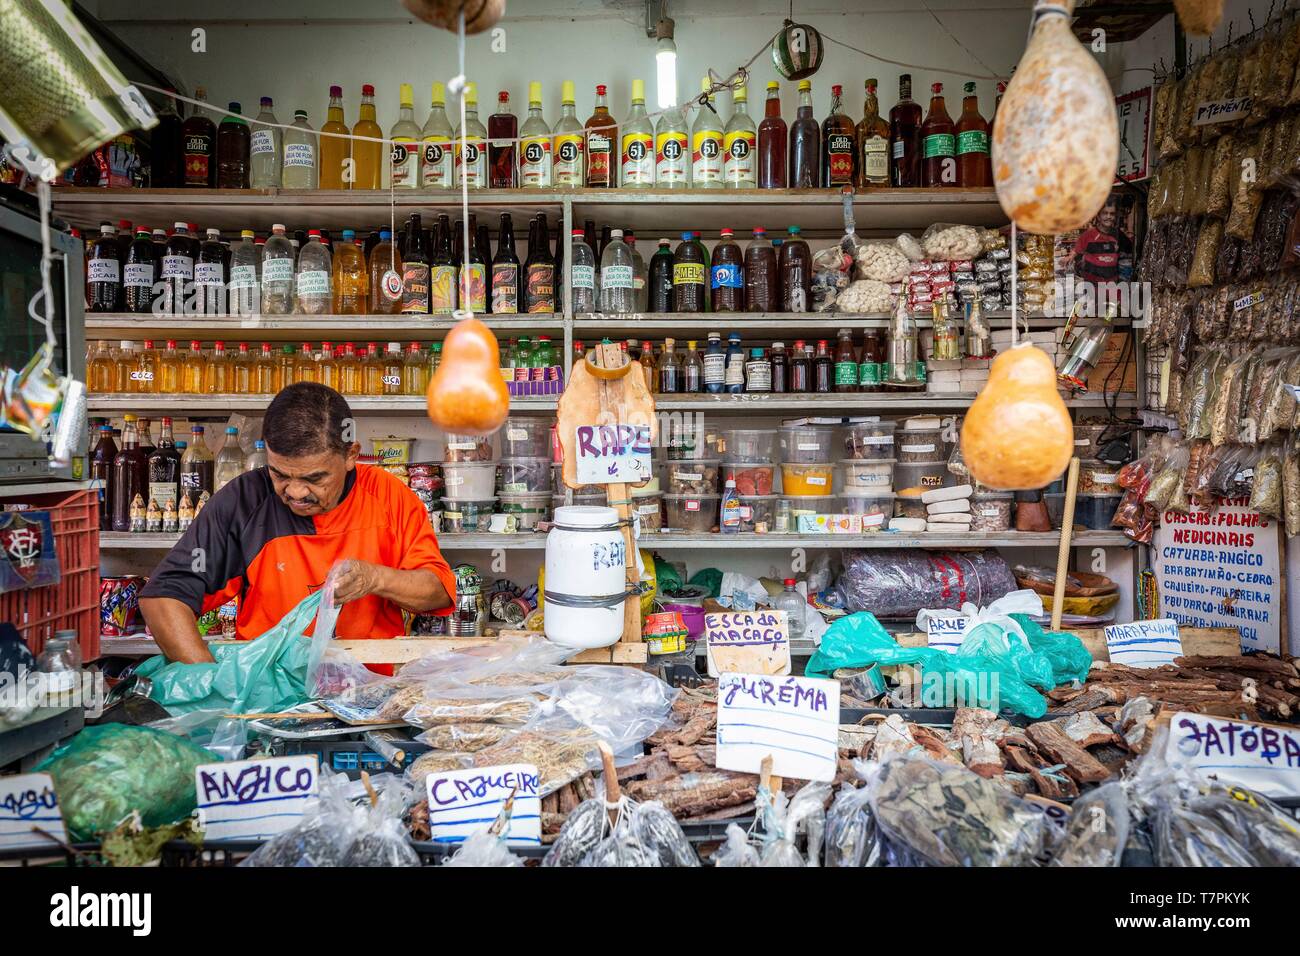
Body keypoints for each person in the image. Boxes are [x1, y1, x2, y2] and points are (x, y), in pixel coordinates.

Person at [139, 382, 455, 664]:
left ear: (350, 455)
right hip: (266, 698)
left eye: (314, 478)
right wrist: (210, 683)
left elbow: (438, 591)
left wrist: (375, 578)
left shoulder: (390, 496)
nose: (296, 492)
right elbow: (164, 596)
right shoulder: (242, 502)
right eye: (279, 474)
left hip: (369, 694)